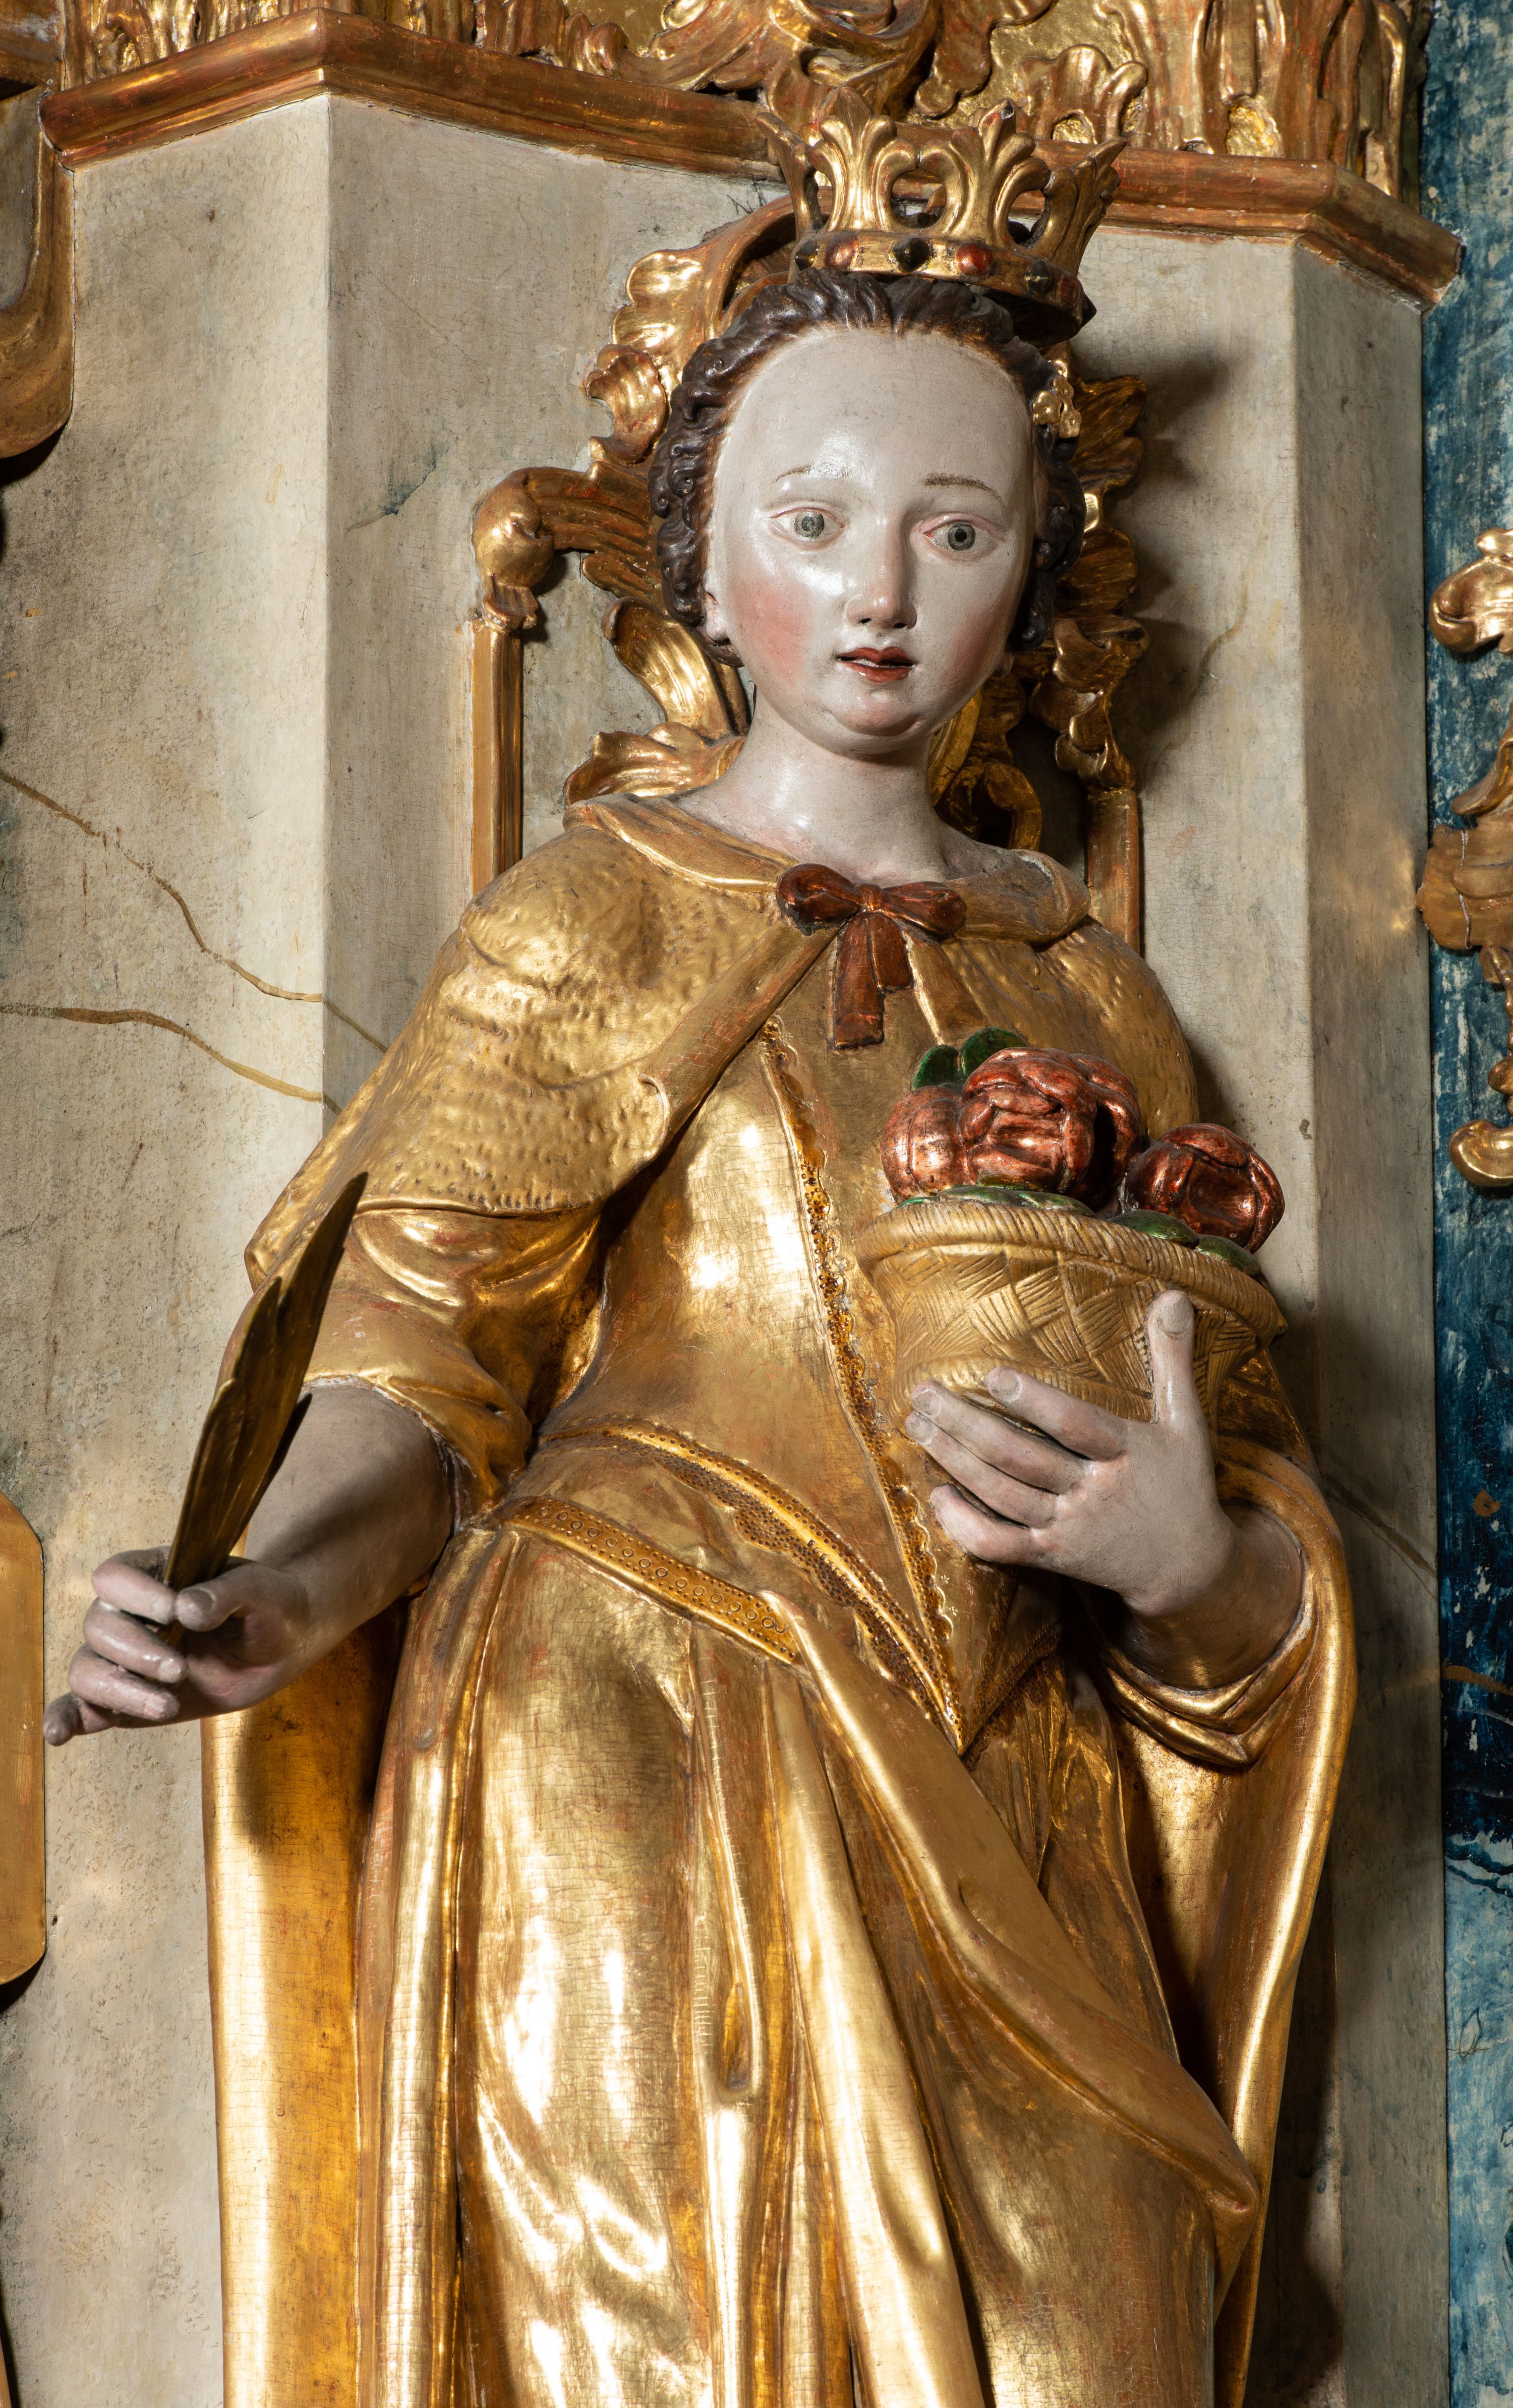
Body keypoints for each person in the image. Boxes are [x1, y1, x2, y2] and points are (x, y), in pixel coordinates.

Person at [48, 156, 1352, 2408]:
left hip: (1013, 1780)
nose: (881, 593)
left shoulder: (1095, 997)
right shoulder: (588, 919)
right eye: (815, 520)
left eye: (957, 531)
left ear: (1032, 570)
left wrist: (1195, 1567)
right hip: (652, 1738)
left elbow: (1232, 1476)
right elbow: (417, 1382)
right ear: (710, 561)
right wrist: (273, 1591)